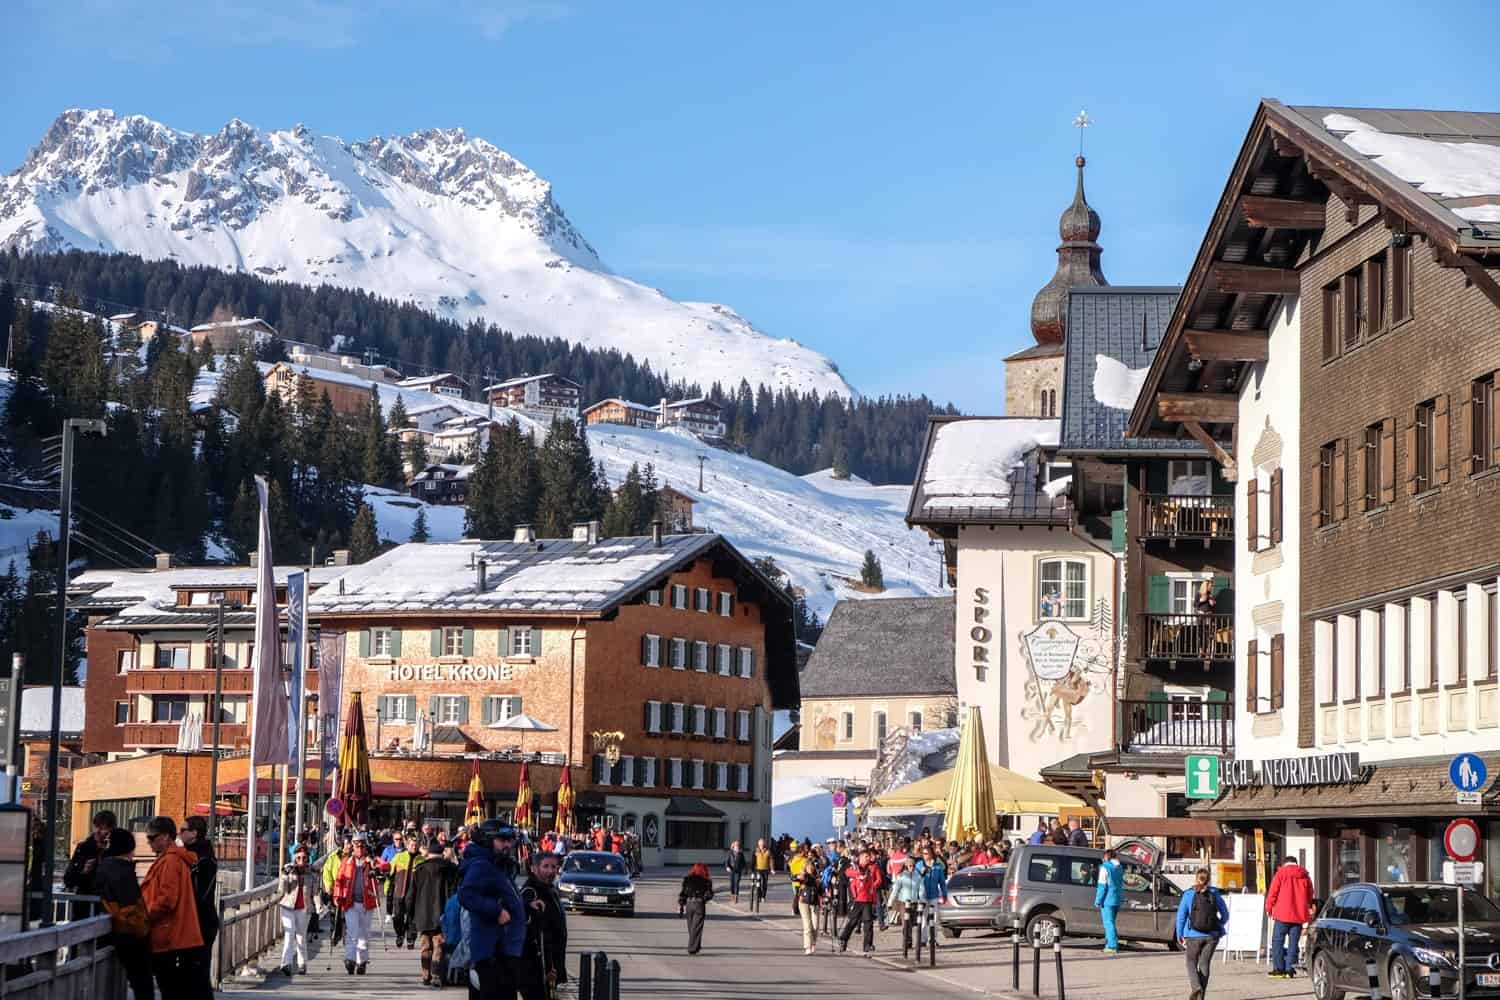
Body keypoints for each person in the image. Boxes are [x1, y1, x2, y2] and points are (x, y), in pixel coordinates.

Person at [459, 822, 527, 1000]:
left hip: (504, 950)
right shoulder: (482, 865)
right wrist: (496, 911)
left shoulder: (496, 863)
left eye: (510, 840)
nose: (507, 844)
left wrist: (525, 905)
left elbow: (503, 895)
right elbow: (466, 895)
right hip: (492, 951)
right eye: (502, 840)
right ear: (488, 840)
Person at [141, 816, 204, 999]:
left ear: (166, 836)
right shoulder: (175, 859)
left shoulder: (170, 861)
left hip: (169, 937)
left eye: (153, 838)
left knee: (170, 989)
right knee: (175, 989)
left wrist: (144, 915)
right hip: (177, 936)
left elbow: (167, 899)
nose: (149, 842)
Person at [97, 826, 154, 1000]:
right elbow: (130, 905)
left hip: (115, 929)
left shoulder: (106, 866)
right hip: (128, 932)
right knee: (142, 980)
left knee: (138, 979)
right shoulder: (121, 870)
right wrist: (143, 930)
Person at [408, 838, 459, 986]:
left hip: (423, 914)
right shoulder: (450, 869)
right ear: (441, 853)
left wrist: (410, 915)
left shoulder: (419, 869)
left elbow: (411, 895)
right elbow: (453, 892)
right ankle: (436, 974)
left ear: (428, 853)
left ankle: (426, 975)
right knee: (439, 944)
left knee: (425, 945)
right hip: (442, 912)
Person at [179, 815, 219, 1000]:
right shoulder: (199, 855)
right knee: (195, 976)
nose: (180, 833)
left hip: (199, 923)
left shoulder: (200, 859)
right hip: (200, 921)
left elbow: (198, 894)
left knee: (197, 975)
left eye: (183, 830)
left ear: (194, 833)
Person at [518, 851, 568, 1000]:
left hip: (550, 964)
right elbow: (537, 934)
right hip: (535, 967)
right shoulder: (531, 892)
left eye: (554, 867)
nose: (551, 871)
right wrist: (547, 968)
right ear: (534, 868)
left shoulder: (550, 890)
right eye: (545, 866)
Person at [1175, 867, 1229, 1000]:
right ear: (1209, 880)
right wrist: (1218, 924)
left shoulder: (1188, 894)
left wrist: (1179, 933)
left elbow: (1181, 916)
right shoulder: (1215, 894)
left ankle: (1196, 987)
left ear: (1196, 878)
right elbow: (1225, 915)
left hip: (1193, 934)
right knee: (1204, 964)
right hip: (1212, 935)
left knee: (1191, 962)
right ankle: (1200, 997)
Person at [333, 832, 380, 974]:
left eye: (362, 845)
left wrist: (375, 869)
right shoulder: (346, 862)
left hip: (367, 903)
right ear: (352, 846)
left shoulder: (371, 861)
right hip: (351, 902)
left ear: (365, 846)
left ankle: (362, 961)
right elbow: (339, 880)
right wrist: (337, 895)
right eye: (356, 845)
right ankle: (350, 959)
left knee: (364, 934)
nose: (359, 848)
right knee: (352, 932)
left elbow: (385, 868)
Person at [1265, 854, 1315, 980]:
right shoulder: (1305, 875)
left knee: (1277, 941)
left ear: (1285, 863)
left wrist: (1269, 908)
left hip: (1282, 914)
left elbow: (1273, 892)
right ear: (1296, 863)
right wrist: (1307, 908)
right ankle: (1290, 969)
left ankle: (1279, 969)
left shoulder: (1280, 874)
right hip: (1298, 915)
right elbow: (1310, 894)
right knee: (1294, 943)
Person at [278, 843, 318, 976]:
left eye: (305, 858)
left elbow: (315, 892)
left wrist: (319, 907)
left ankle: (302, 964)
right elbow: (281, 890)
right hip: (288, 906)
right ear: (294, 857)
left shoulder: (311, 872)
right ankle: (286, 964)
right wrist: (284, 876)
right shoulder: (288, 869)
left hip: (304, 909)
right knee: (289, 935)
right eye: (299, 858)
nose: (302, 861)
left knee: (301, 938)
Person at [62, 809, 117, 904]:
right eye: (96, 827)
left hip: (106, 906)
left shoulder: (115, 850)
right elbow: (68, 880)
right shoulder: (83, 847)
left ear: (111, 830)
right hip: (84, 905)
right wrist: (84, 872)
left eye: (103, 828)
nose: (98, 831)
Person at [836, 849, 883, 954]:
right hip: (858, 898)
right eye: (866, 857)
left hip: (868, 899)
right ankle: (843, 939)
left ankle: (867, 945)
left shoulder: (871, 867)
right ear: (861, 858)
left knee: (868, 923)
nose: (868, 859)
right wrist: (858, 874)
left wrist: (872, 887)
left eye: (868, 857)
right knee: (852, 921)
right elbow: (848, 872)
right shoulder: (856, 867)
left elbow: (877, 880)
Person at [388, 832, 423, 949]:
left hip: (414, 893)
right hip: (399, 891)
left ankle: (410, 938)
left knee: (412, 917)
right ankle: (400, 934)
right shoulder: (399, 857)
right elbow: (390, 872)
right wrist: (387, 888)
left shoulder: (421, 860)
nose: (414, 847)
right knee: (397, 916)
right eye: (412, 845)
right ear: (407, 845)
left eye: (416, 845)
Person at [887, 855, 921, 956]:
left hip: (914, 903)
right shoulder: (901, 876)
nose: (912, 867)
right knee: (905, 923)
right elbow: (895, 890)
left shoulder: (918, 876)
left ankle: (909, 940)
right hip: (903, 903)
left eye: (913, 866)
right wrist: (890, 903)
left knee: (912, 923)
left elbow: (921, 889)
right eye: (910, 866)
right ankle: (906, 942)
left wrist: (922, 899)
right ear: (906, 866)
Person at [678, 863, 714, 955]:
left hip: (689, 904)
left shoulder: (687, 879)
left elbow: (683, 894)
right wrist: (703, 899)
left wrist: (681, 905)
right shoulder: (706, 881)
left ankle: (695, 946)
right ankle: (692, 948)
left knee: (691, 927)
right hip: (699, 904)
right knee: (697, 927)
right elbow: (710, 894)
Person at [1094, 848, 1124, 955]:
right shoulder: (1119, 867)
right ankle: (1109, 943)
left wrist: (1098, 900)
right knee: (1111, 922)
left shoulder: (1105, 867)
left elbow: (1102, 886)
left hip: (1107, 899)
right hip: (1117, 898)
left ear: (1107, 857)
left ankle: (1112, 945)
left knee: (1108, 923)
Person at [322, 834, 350, 946]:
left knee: (347, 915)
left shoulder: (353, 857)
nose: (349, 846)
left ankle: (346, 936)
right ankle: (335, 934)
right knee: (335, 914)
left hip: (349, 889)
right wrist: (329, 887)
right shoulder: (333, 857)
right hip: (336, 888)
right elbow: (327, 871)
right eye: (347, 843)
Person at [794, 855, 823, 955]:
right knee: (807, 926)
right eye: (808, 866)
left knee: (815, 926)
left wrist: (825, 897)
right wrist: (797, 876)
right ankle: (807, 946)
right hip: (804, 902)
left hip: (815, 903)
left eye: (812, 866)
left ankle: (813, 943)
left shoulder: (818, 878)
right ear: (806, 867)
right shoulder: (805, 876)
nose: (810, 868)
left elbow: (821, 890)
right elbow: (795, 878)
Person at [724, 840, 747, 904]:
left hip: (738, 871)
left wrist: (744, 869)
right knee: (732, 884)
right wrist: (727, 867)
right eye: (736, 846)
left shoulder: (741, 854)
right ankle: (732, 895)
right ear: (733, 846)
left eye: (738, 846)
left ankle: (736, 897)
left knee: (736, 884)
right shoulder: (730, 853)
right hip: (731, 871)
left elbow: (744, 863)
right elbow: (726, 861)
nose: (737, 847)